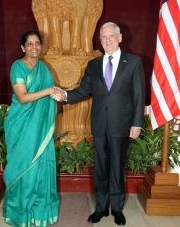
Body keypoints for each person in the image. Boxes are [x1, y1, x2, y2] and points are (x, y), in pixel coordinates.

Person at [52, 22, 145, 225]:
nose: (107, 40)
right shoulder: (93, 65)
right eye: (103, 37)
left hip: (122, 123)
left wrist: (137, 123)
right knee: (101, 167)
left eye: (111, 36)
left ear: (120, 37)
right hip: (99, 124)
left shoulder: (134, 62)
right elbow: (83, 89)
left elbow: (139, 95)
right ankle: (101, 208)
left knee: (117, 167)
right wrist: (64, 95)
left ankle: (117, 209)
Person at [3, 30, 59, 227]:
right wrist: (49, 91)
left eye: (37, 43)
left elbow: (49, 98)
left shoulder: (44, 68)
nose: (34, 47)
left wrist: (57, 94)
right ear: (22, 47)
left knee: (41, 167)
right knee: (24, 169)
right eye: (30, 44)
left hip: (39, 128)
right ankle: (21, 213)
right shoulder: (17, 67)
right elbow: (22, 97)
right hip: (21, 126)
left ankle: (40, 212)